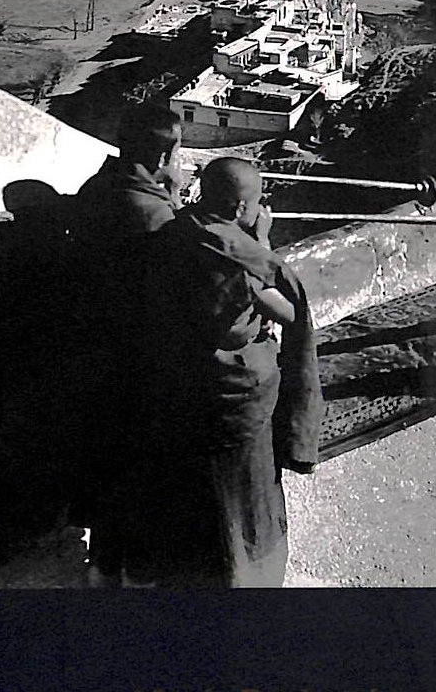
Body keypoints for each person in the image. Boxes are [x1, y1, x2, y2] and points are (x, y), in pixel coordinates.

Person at [98, 157, 322, 588]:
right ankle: (240, 575)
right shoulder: (242, 258)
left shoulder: (171, 233)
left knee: (188, 493)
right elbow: (292, 313)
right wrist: (262, 242)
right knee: (240, 499)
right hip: (232, 399)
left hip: (175, 386)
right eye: (256, 203)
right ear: (241, 208)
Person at [60, 107, 185, 581]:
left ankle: (104, 563)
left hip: (90, 348)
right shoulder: (152, 215)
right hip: (132, 362)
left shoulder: (98, 189)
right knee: (132, 472)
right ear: (165, 152)